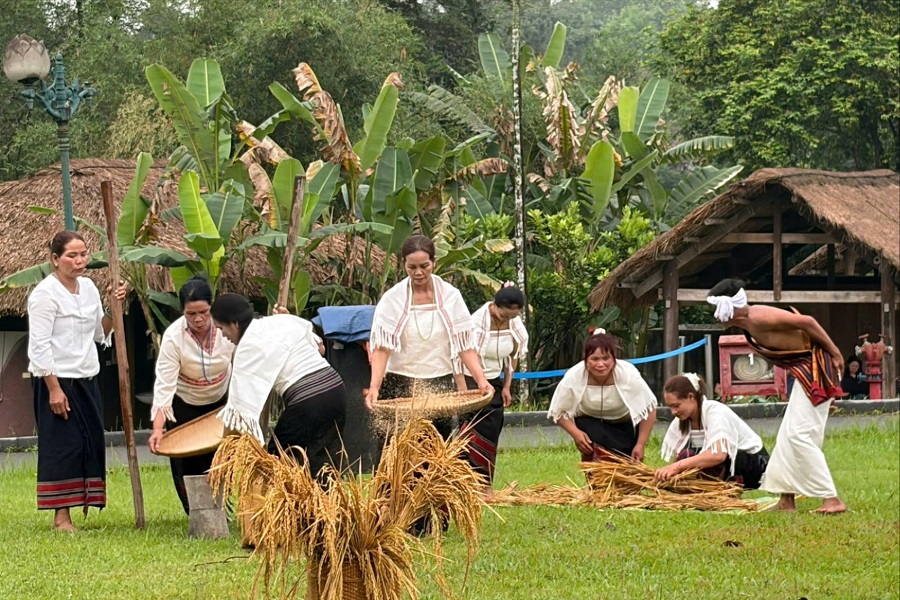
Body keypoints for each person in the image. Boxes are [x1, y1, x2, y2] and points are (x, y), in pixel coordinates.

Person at [706, 278, 846, 513]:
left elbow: (807, 321)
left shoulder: (758, 317)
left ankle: (832, 500)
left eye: (714, 309)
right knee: (786, 438)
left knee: (800, 436)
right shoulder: (749, 324)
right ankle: (786, 500)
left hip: (817, 371)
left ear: (726, 307)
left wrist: (835, 353)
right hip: (806, 374)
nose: (713, 315)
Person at [27, 231, 125, 532]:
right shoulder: (44, 294)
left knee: (88, 442)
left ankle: (84, 500)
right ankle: (61, 516)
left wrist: (112, 306)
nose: (80, 260)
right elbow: (39, 346)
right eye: (72, 255)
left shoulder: (89, 287)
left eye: (83, 254)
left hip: (86, 377)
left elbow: (100, 332)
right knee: (63, 445)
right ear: (55, 259)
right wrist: (54, 389)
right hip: (55, 380)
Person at [210, 294, 347, 476]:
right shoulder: (281, 322)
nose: (223, 336)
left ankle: (285, 504)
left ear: (234, 323)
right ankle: (323, 504)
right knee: (321, 464)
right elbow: (321, 349)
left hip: (309, 400)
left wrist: (225, 451)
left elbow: (238, 414)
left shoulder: (247, 346)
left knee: (276, 460)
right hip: (335, 389)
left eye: (221, 328)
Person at [365, 235, 492, 425]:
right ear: (404, 265)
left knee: (438, 447)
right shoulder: (392, 299)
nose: (418, 273)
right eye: (412, 267)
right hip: (400, 383)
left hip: (440, 383)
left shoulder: (451, 296)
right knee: (400, 448)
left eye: (424, 266)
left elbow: (464, 345)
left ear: (434, 262)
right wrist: (375, 386)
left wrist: (481, 380)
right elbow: (382, 348)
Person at [147, 276, 234, 514]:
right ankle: (197, 512)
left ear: (212, 307)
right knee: (188, 460)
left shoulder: (227, 327)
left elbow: (245, 363)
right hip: (186, 403)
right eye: (190, 314)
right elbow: (164, 384)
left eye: (203, 312)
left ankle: (222, 506)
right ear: (182, 312)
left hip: (221, 403)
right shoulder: (173, 337)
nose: (198, 319)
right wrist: (157, 429)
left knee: (221, 457)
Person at [457, 284, 529, 491]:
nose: (506, 320)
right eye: (503, 315)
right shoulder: (476, 323)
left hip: (494, 382)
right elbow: (460, 355)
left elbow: (513, 356)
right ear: (494, 305)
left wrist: (507, 386)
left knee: (492, 431)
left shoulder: (514, 324)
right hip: (471, 382)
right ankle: (466, 483)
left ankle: (485, 484)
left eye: (511, 317)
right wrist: (463, 391)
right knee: (470, 433)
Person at [548, 329, 657, 463]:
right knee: (597, 462)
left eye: (606, 358)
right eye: (594, 359)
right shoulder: (574, 375)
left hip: (622, 425)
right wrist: (576, 434)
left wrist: (640, 444)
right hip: (589, 424)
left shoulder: (628, 374)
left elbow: (649, 409)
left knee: (625, 469)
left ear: (614, 358)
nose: (601, 364)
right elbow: (559, 411)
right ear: (586, 359)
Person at [656, 373, 769, 489]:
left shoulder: (716, 412)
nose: (673, 412)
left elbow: (718, 455)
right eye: (670, 407)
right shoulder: (682, 419)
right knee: (686, 456)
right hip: (729, 464)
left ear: (691, 397)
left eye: (676, 406)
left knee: (698, 460)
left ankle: (723, 487)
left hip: (751, 465)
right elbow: (682, 455)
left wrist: (676, 467)